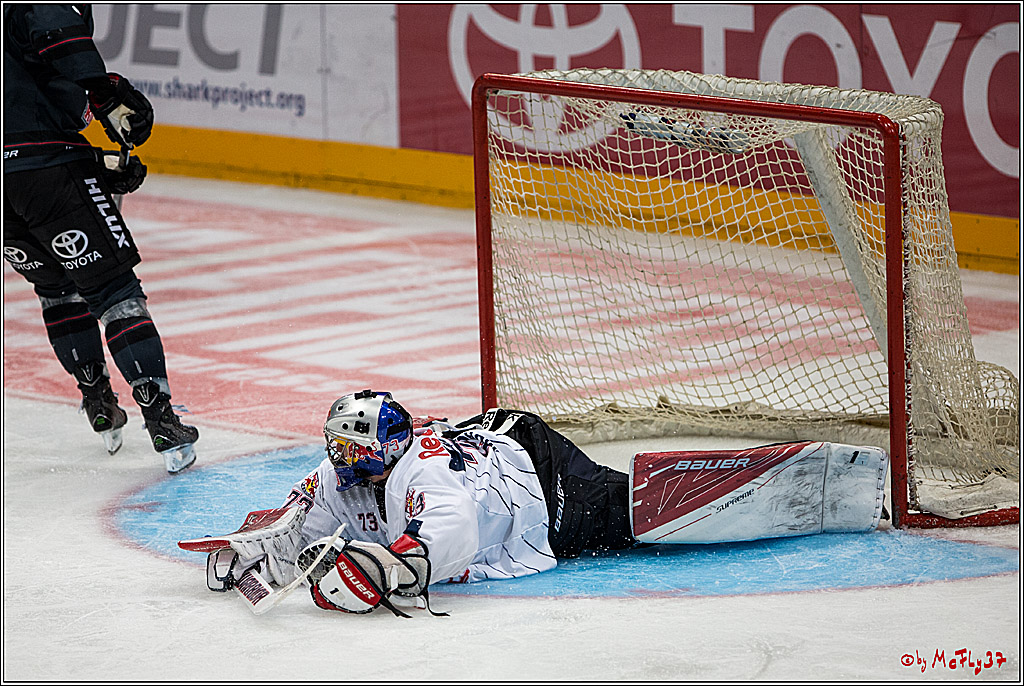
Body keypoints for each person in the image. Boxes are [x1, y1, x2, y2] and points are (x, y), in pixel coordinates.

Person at [193, 390, 888, 617]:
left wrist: (383, 569)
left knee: (635, 519)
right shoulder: (347, 470)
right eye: (335, 447)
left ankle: (819, 485)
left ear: (382, 449)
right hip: (488, 437)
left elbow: (445, 545)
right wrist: (260, 552)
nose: (338, 458)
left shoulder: (424, 484)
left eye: (349, 448)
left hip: (537, 479)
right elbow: (301, 521)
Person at [3, 4, 197, 472]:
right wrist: (104, 89)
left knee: (55, 287)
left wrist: (96, 166)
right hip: (43, 164)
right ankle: (160, 415)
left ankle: (97, 398)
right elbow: (56, 32)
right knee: (113, 291)